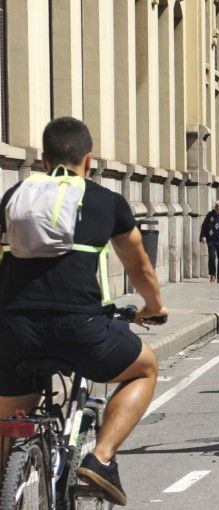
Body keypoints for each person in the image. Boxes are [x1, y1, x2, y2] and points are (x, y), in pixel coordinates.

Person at [0, 117, 167, 506]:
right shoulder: (106, 201)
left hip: (13, 327)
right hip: (81, 327)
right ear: (88, 161)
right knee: (145, 367)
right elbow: (139, 265)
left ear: (43, 161)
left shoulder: (13, 198)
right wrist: (154, 307)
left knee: (9, 425)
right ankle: (101, 458)